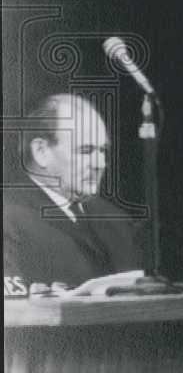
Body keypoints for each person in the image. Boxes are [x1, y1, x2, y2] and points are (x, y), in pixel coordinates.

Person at [3, 94, 143, 287]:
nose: (100, 164)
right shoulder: (8, 217)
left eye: (103, 151)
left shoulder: (116, 219)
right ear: (41, 152)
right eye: (85, 151)